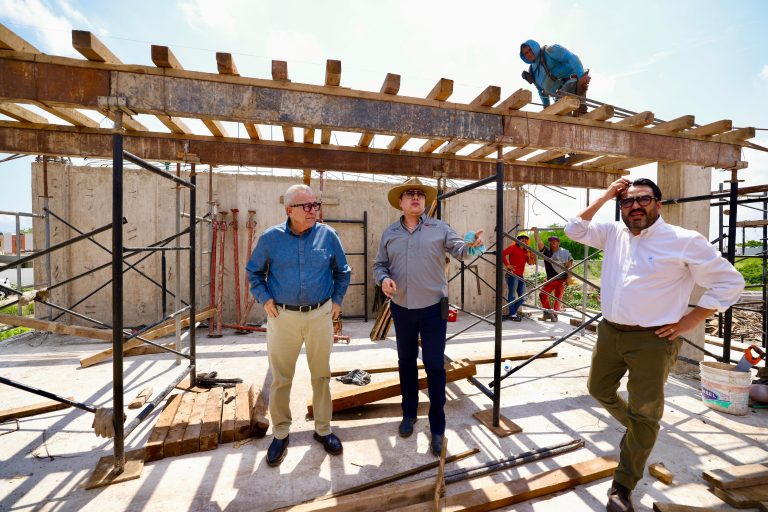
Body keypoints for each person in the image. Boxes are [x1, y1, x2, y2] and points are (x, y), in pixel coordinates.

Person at [565, 177, 744, 512]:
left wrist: (691, 320)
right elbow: (574, 228)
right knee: (599, 389)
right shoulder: (614, 233)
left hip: (653, 339)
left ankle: (623, 484)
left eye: (643, 199)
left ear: (658, 204)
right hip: (610, 332)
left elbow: (730, 281)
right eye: (627, 201)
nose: (634, 206)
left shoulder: (683, 241)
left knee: (646, 411)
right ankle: (637, 431)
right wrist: (607, 195)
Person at [373, 177, 483, 456]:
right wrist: (383, 279)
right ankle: (409, 414)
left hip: (434, 309)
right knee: (406, 362)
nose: (415, 198)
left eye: (420, 195)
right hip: (402, 309)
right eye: (409, 194)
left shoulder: (440, 228)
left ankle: (437, 426)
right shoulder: (389, 234)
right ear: (400, 202)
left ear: (425, 202)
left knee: (435, 366)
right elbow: (379, 265)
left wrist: (472, 245)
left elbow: (462, 250)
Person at [246, 184, 351, 467]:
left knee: (321, 376)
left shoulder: (328, 236)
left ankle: (323, 430)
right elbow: (253, 272)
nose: (313, 211)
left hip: (320, 316)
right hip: (283, 318)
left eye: (315, 205)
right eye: (306, 206)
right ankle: (281, 433)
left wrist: (337, 301)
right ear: (288, 209)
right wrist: (264, 298)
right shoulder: (271, 238)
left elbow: (343, 271)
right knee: (281, 378)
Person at [520, 39, 591, 113]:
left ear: (534, 47)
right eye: (526, 53)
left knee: (565, 109)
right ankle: (579, 113)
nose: (529, 54)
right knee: (559, 116)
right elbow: (541, 91)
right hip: (559, 95)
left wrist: (581, 75)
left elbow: (571, 57)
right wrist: (546, 108)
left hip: (572, 82)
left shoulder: (550, 50)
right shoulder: (532, 71)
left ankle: (581, 110)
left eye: (530, 50)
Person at [534, 227, 573, 322]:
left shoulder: (564, 252)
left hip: (561, 279)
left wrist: (569, 278)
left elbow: (570, 265)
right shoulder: (547, 251)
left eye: (555, 241)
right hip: (551, 279)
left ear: (559, 243)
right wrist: (536, 233)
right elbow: (540, 244)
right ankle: (548, 313)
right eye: (551, 241)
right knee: (542, 295)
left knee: (558, 298)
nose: (553, 242)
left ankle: (554, 316)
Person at [502, 233, 535, 321]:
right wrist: (507, 265)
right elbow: (502, 254)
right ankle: (513, 314)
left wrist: (531, 255)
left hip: (520, 275)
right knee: (512, 295)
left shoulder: (525, 251)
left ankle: (512, 313)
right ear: (518, 240)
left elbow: (531, 263)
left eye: (526, 240)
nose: (524, 241)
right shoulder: (513, 247)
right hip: (512, 274)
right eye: (522, 239)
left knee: (523, 297)